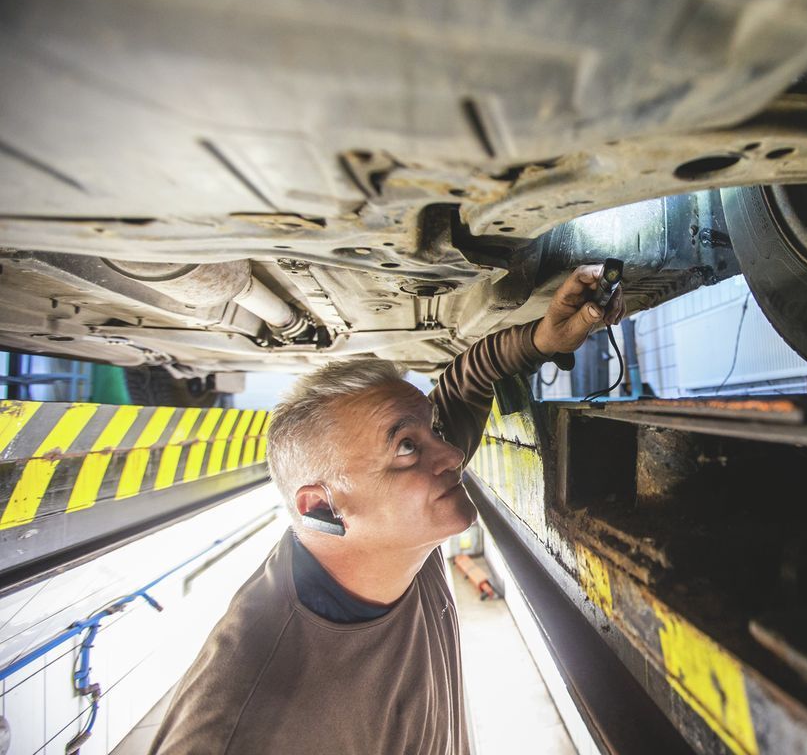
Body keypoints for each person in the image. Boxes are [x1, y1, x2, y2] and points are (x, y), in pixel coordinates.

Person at [150, 265, 624, 755]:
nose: (452, 454)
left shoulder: (389, 525)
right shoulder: (244, 721)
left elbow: (467, 383)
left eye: (431, 432)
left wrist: (541, 339)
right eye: (406, 446)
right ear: (322, 506)